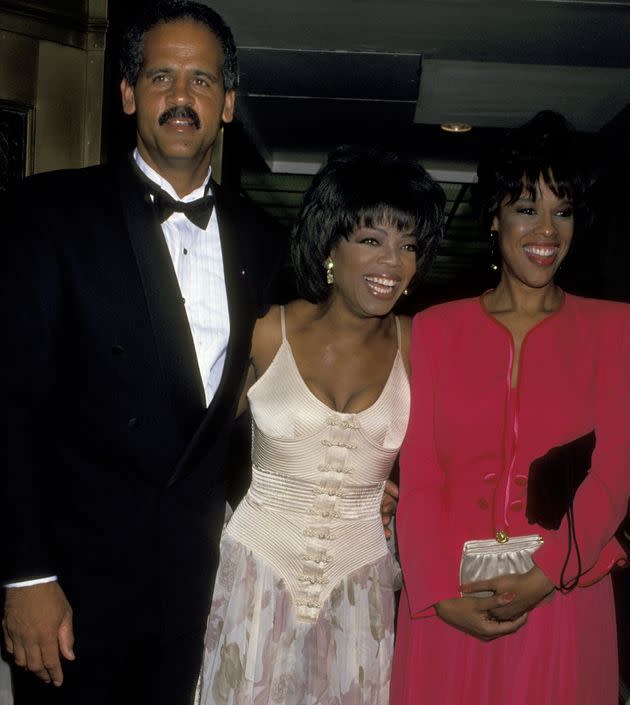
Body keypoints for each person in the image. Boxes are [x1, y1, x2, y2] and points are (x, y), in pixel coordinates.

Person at [0, 2, 284, 704]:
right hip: (70, 590)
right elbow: (10, 406)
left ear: (228, 105)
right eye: (161, 76)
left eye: (201, 80)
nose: (181, 96)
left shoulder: (263, 239)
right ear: (128, 94)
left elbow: (262, 407)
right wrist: (24, 575)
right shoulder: (48, 214)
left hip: (197, 588)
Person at [391, 110, 630, 705]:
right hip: (449, 600)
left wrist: (545, 576)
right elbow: (420, 477)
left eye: (564, 210)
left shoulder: (615, 329)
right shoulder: (436, 330)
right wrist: (436, 592)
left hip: (562, 598)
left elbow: (615, 476)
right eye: (527, 207)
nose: (547, 229)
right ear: (493, 217)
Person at [196, 145, 444, 704]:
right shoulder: (265, 332)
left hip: (359, 596)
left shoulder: (421, 345)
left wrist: (412, 497)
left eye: (408, 246)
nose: (393, 263)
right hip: (252, 578)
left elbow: (467, 452)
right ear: (331, 242)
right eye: (372, 240)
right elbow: (187, 447)